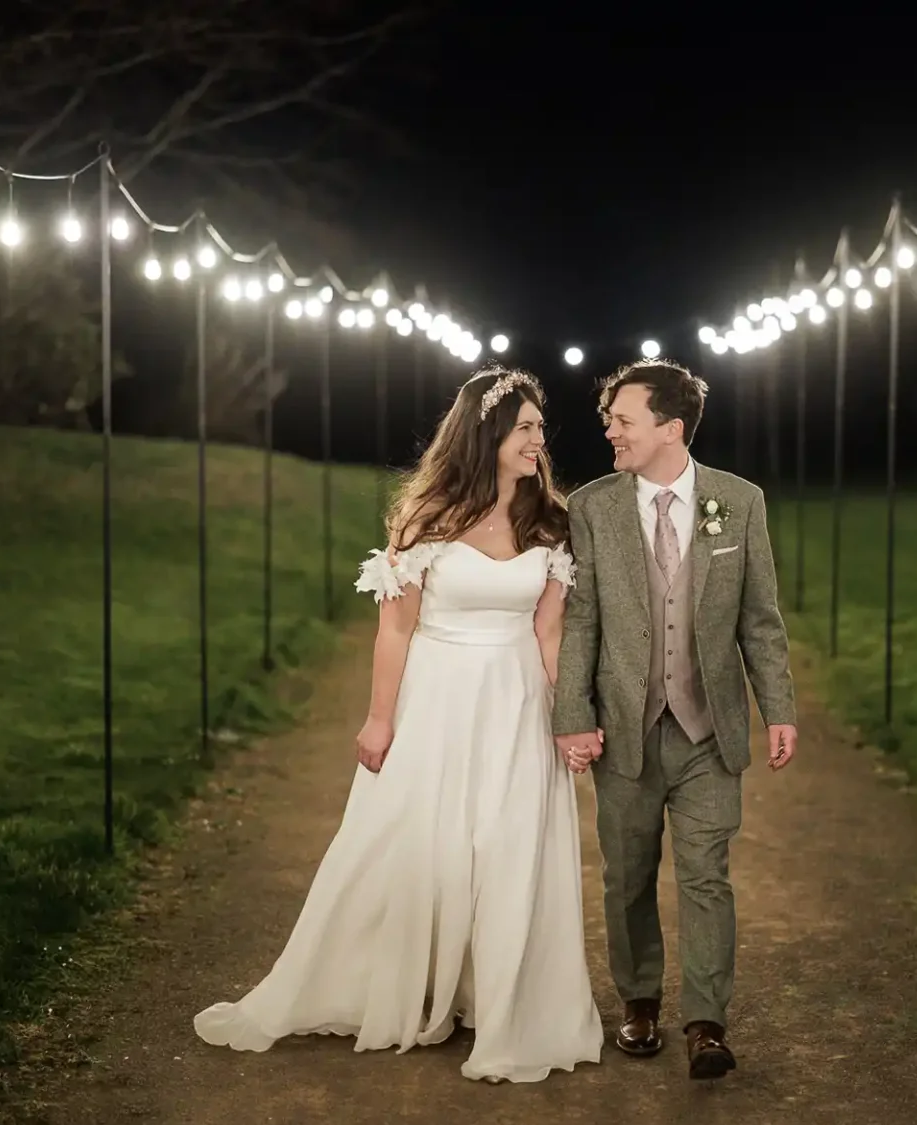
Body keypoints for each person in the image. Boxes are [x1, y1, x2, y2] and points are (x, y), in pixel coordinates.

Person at [194, 366, 602, 1084]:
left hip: (515, 705)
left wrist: (569, 717)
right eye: (527, 427)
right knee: (426, 844)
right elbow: (395, 632)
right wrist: (380, 720)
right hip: (438, 701)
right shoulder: (426, 523)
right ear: (489, 434)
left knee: (508, 846)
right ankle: (407, 984)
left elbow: (549, 635)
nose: (540, 439)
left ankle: (501, 1000)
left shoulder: (551, 523)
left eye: (540, 428)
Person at [552, 358, 798, 1080]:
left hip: (708, 730)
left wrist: (777, 708)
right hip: (623, 729)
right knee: (626, 877)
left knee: (706, 876)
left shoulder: (740, 501)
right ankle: (639, 1003)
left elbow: (760, 619)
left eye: (622, 420)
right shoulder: (592, 508)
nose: (610, 431)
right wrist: (573, 715)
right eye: (610, 420)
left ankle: (706, 1022)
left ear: (670, 427)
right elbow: (582, 620)